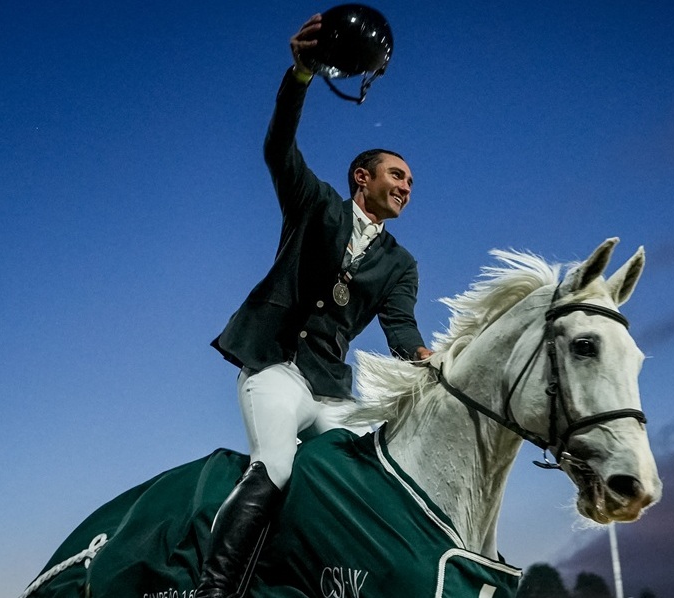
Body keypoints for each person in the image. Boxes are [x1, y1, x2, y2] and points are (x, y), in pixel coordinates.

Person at [196, 13, 433, 598]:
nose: (405, 186)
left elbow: (402, 332)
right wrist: (299, 75)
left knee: (373, 479)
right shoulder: (315, 204)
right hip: (275, 366)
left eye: (410, 182)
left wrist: (427, 359)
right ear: (362, 178)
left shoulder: (402, 264)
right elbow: (279, 147)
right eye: (396, 175)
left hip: (331, 388)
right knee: (275, 467)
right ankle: (214, 589)